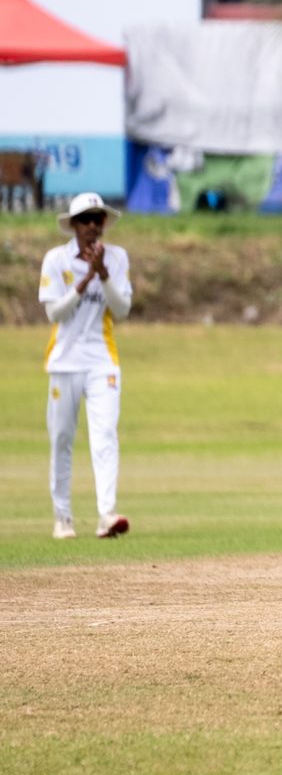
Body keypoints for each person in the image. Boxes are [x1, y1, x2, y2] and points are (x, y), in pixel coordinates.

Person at [41, 193, 133, 541]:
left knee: (105, 434)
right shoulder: (56, 260)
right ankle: (62, 518)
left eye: (97, 219)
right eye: (85, 219)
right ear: (74, 225)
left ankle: (106, 515)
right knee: (62, 439)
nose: (92, 226)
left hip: (102, 360)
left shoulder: (118, 258)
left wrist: (105, 274)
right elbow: (54, 313)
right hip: (64, 361)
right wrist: (84, 281)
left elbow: (122, 310)